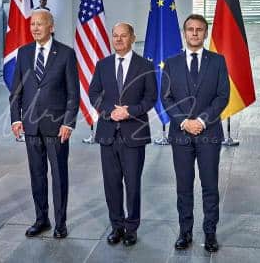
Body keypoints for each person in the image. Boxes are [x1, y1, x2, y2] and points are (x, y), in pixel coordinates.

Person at [161, 14, 229, 252]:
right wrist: (184, 122)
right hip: (181, 135)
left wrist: (201, 120)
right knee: (184, 185)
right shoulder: (171, 63)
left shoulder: (218, 61)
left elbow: (223, 96)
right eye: (190, 29)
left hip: (208, 133)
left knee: (210, 185)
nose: (194, 33)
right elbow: (166, 98)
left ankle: (210, 233)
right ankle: (185, 232)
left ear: (205, 33)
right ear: (184, 32)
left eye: (199, 29)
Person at [9, 9, 80, 239]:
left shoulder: (66, 54)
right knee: (37, 174)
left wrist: (68, 123)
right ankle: (42, 219)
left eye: (40, 24)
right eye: (32, 24)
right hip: (31, 126)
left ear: (52, 27)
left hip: (57, 127)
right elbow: (16, 90)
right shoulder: (24, 52)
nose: (35, 28)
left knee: (59, 175)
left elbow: (73, 93)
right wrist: (16, 118)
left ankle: (60, 223)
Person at [89, 22, 157, 246]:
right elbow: (94, 93)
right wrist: (110, 111)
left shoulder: (145, 65)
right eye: (115, 36)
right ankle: (116, 226)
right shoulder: (102, 64)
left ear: (133, 38)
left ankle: (131, 228)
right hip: (108, 133)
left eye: (123, 36)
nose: (118, 40)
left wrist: (129, 112)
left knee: (133, 183)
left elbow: (150, 97)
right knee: (111, 183)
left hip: (134, 133)